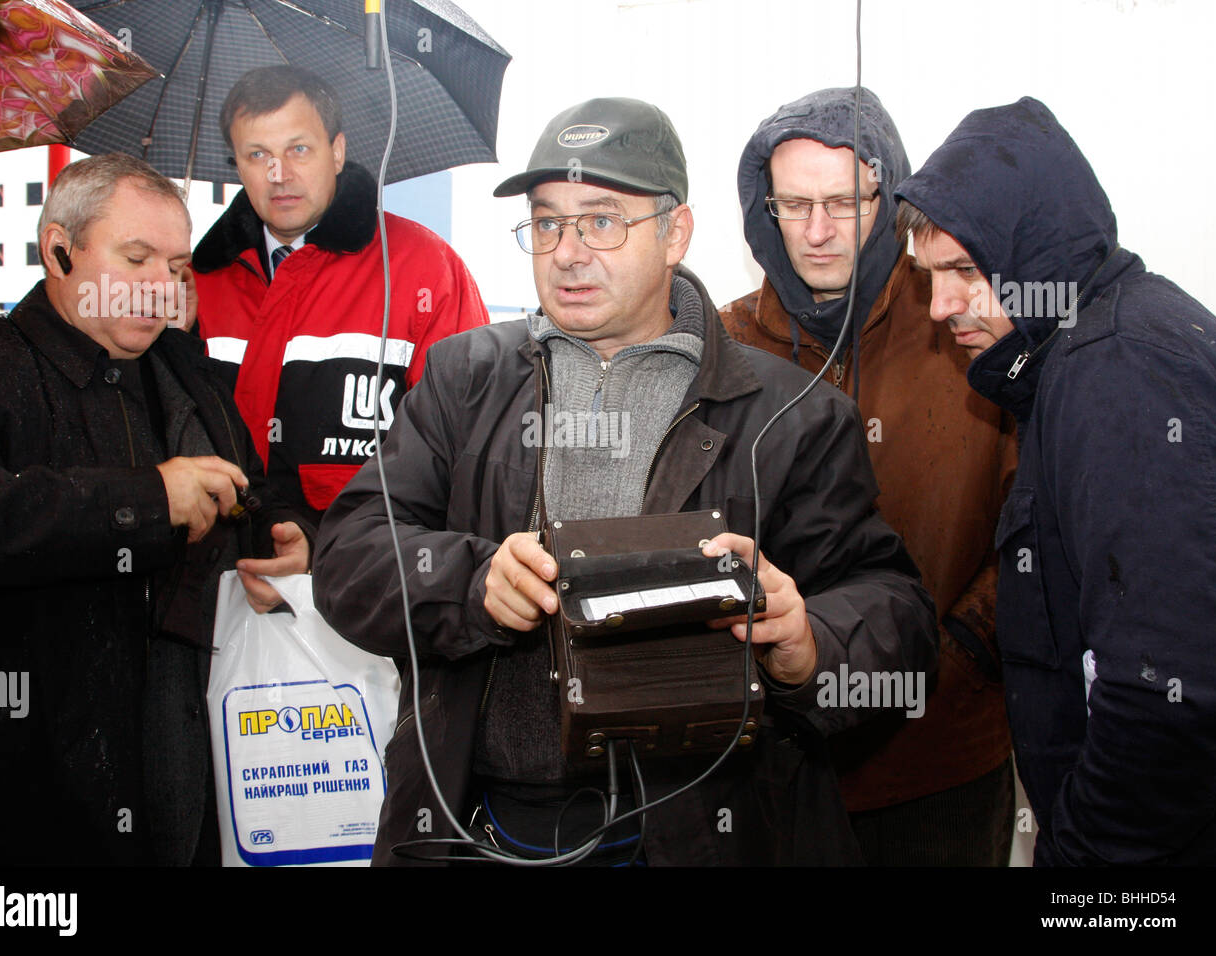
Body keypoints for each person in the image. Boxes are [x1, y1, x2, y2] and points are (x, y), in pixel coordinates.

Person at [313, 97, 937, 866]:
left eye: (602, 221)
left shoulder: (791, 414)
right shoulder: (461, 379)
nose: (568, 252)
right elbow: (347, 553)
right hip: (481, 828)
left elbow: (896, 606)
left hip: (695, 832)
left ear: (676, 233)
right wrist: (472, 583)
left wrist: (812, 640)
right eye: (547, 223)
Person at [0, 153, 311, 866]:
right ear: (60, 250)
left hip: (197, 784)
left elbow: (261, 487)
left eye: (175, 266)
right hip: (32, 811)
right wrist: (146, 502)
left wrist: (292, 538)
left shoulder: (187, 371)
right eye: (136, 259)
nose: (161, 289)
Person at [895, 96, 1216, 865]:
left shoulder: (1121, 369)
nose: (941, 306)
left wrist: (1082, 871)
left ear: (1035, 255)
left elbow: (1167, 694)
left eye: (965, 272)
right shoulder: (1092, 351)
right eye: (928, 276)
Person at [721, 88, 1017, 865]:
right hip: (770, 768)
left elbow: (1041, 524)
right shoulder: (724, 343)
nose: (817, 231)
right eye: (793, 204)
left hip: (942, 759)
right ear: (764, 207)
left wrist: (963, 652)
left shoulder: (964, 324)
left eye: (843, 202)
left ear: (890, 197)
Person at [191, 66, 490, 525]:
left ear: (337, 151)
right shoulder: (197, 280)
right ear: (236, 163)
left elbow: (466, 452)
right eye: (257, 154)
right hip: (216, 576)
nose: (279, 174)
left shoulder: (426, 269)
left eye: (299, 149)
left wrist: (320, 546)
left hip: (368, 581)